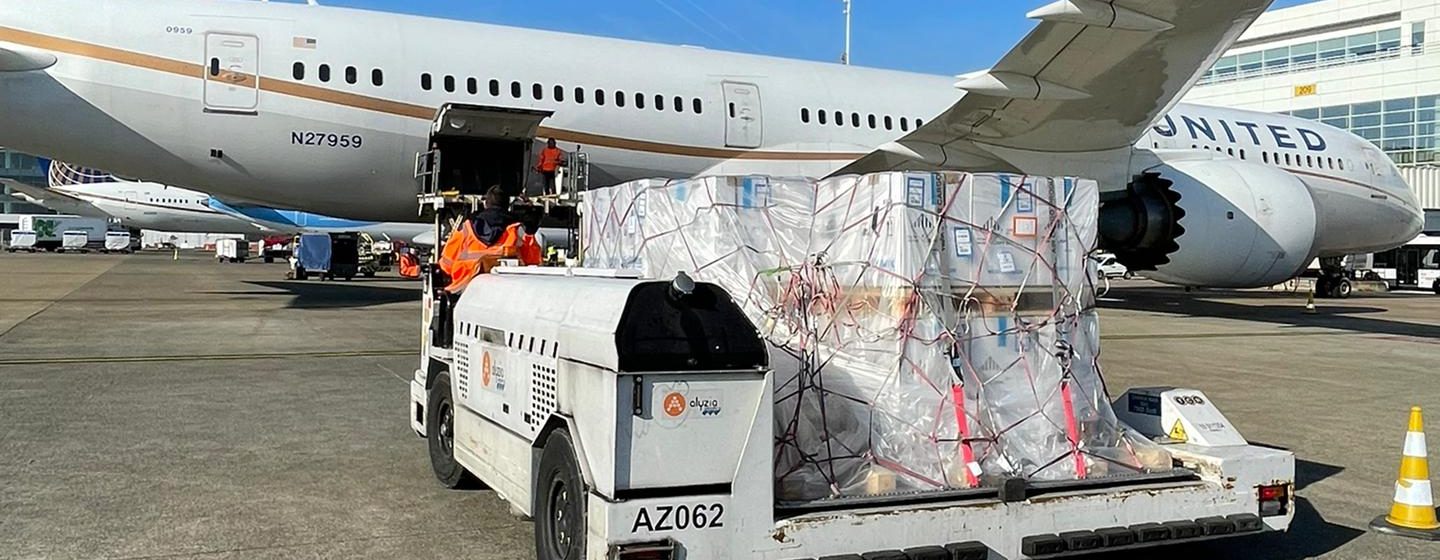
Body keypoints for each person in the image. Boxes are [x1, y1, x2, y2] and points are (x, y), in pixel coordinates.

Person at [438, 186, 543, 293]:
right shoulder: (518, 230)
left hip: (464, 288)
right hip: (508, 291)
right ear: (508, 206)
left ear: (485, 204)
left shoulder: (466, 229)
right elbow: (533, 263)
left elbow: (445, 265)